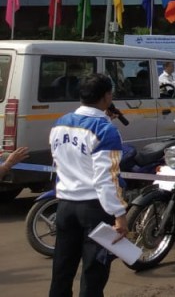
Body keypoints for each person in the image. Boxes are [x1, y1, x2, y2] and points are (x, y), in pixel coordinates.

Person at [49, 73, 128, 297]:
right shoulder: (105, 130)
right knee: (94, 272)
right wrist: (119, 213)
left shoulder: (59, 123)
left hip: (65, 205)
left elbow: (67, 159)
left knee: (62, 268)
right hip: (94, 208)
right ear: (107, 96)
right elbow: (106, 178)